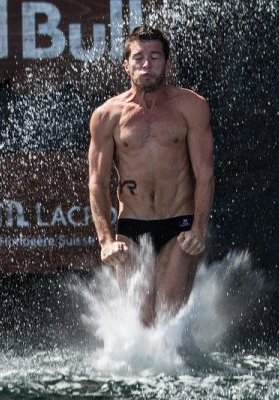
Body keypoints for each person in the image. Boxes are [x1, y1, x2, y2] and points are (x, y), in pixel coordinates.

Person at [88, 25, 214, 327]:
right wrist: (105, 240)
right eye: (139, 57)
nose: (147, 64)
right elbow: (97, 182)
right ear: (126, 64)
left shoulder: (191, 106)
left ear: (167, 63)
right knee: (140, 327)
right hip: (131, 228)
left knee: (167, 325)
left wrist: (198, 229)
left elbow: (205, 173)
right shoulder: (107, 116)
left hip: (178, 227)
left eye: (155, 57)